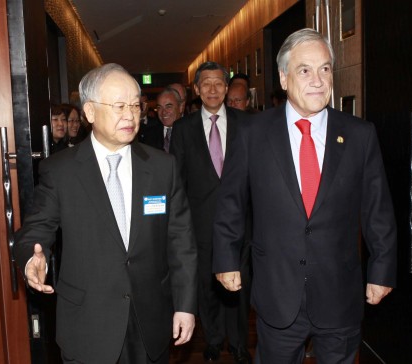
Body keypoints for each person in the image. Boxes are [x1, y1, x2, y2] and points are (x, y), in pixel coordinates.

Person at [213, 28, 397, 364]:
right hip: (277, 292)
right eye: (304, 70)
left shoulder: (359, 135)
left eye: (325, 68)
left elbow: (377, 209)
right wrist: (226, 259)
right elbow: (230, 202)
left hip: (339, 292)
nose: (317, 79)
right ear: (283, 78)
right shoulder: (253, 134)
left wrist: (381, 269)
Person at [14, 63, 198, 364]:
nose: (130, 115)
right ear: (89, 112)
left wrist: (186, 306)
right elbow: (36, 230)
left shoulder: (163, 167)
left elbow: (181, 242)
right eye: (118, 106)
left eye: (135, 105)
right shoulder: (60, 171)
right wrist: (31, 259)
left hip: (151, 320)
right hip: (89, 324)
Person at [170, 61, 252, 364]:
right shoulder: (182, 129)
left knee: (240, 289)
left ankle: (241, 344)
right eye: (206, 83)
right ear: (196, 89)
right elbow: (176, 183)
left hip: (243, 225)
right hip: (200, 226)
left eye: (219, 83)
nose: (213, 89)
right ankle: (214, 340)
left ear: (227, 87)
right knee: (207, 288)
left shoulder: (248, 124)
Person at [140, 87, 182, 152]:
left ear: (180, 107)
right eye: (159, 107)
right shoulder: (149, 135)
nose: (163, 112)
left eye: (168, 106)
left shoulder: (192, 133)